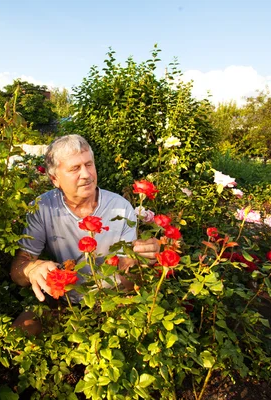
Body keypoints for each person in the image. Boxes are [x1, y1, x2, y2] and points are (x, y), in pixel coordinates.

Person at [10, 134, 159, 334]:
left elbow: (128, 275)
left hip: (112, 302)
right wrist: (30, 269)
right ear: (54, 179)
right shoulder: (42, 207)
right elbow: (17, 270)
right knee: (18, 333)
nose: (86, 174)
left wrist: (141, 259)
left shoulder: (120, 207)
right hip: (62, 302)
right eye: (74, 168)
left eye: (89, 165)